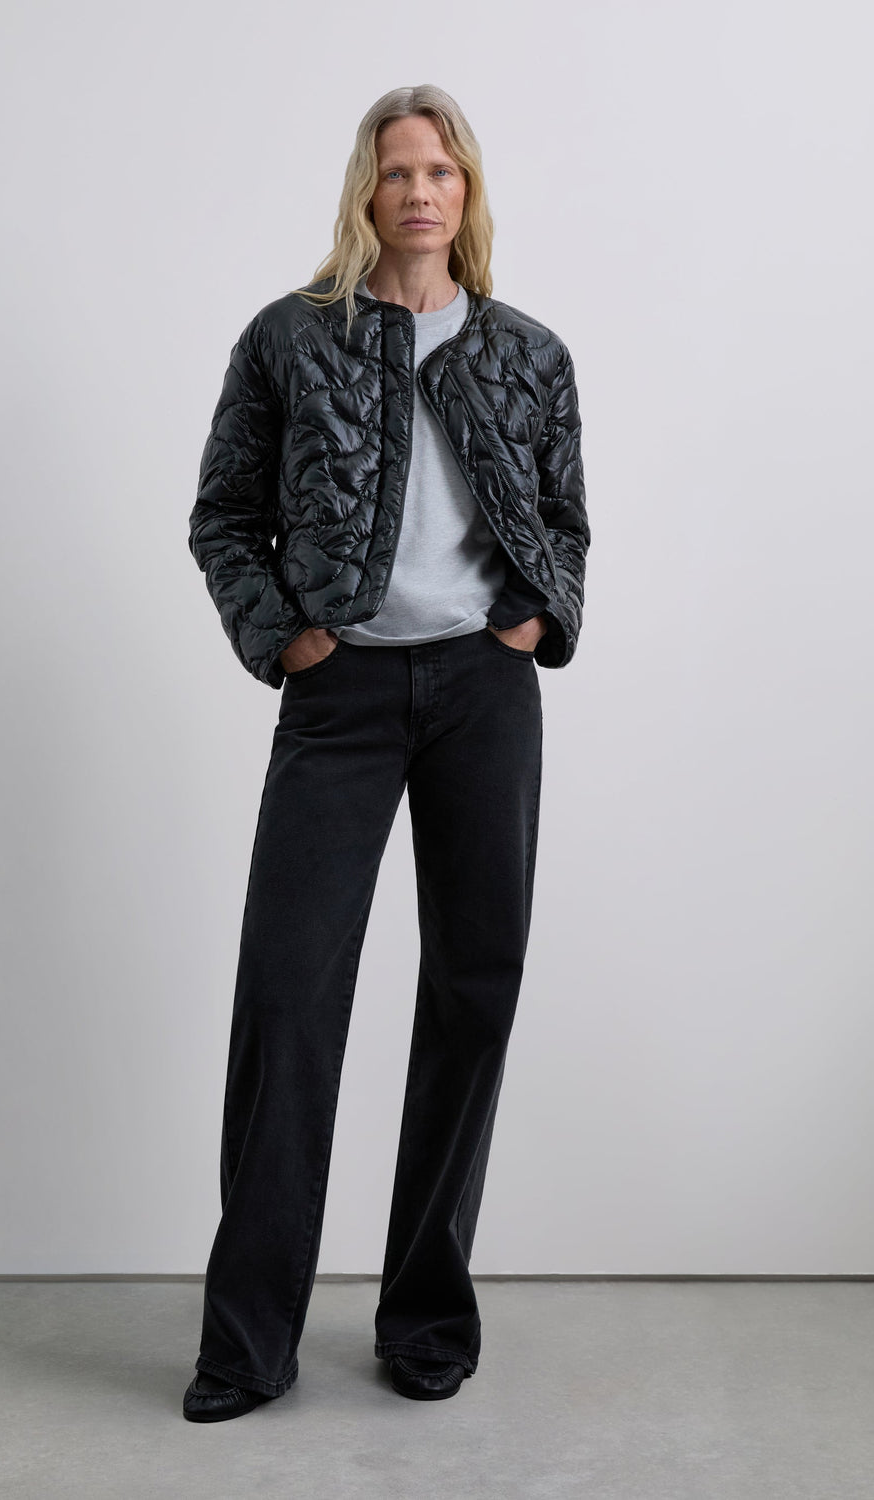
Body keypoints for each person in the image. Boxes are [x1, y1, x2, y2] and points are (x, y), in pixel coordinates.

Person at [182, 83, 590, 1423]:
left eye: (441, 171)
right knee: (289, 997)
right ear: (365, 190)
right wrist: (285, 637)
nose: (419, 191)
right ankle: (249, 1343)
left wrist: (541, 618)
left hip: (483, 692)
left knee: (473, 991)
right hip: (341, 694)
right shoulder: (289, 340)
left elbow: (566, 522)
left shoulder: (528, 353)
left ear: (467, 194)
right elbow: (223, 515)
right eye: (397, 169)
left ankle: (425, 1315)